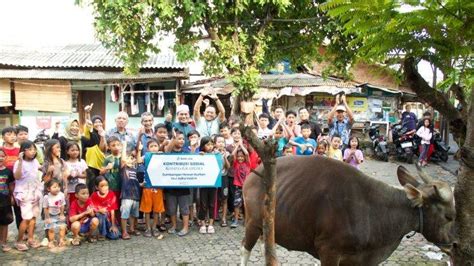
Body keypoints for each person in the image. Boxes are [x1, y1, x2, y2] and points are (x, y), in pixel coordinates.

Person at [13, 141, 42, 251]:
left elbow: (40, 168)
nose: (33, 151)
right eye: (30, 149)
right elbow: (17, 176)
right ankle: (19, 241)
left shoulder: (34, 161)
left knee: (34, 217)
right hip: (24, 194)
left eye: (34, 149)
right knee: (26, 218)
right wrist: (20, 161)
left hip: (35, 193)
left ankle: (30, 239)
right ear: (23, 151)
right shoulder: (19, 162)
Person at [164, 130, 190, 237]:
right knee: (172, 208)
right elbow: (166, 151)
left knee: (184, 208)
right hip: (170, 185)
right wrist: (172, 140)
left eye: (183, 139)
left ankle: (185, 227)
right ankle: (174, 226)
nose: (181, 141)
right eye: (179, 138)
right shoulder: (170, 151)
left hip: (184, 184)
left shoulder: (186, 152)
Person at [139, 139, 166, 238]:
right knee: (147, 210)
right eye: (151, 146)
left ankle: (154, 227)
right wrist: (139, 150)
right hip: (147, 187)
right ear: (148, 148)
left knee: (156, 210)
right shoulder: (145, 156)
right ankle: (148, 228)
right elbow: (138, 161)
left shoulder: (161, 156)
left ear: (158, 147)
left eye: (155, 146)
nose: (154, 148)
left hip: (158, 188)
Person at [197, 137, 218, 234]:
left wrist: (219, 155)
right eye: (207, 145)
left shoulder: (216, 155)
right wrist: (199, 156)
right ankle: (202, 223)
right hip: (203, 184)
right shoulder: (200, 154)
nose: (210, 147)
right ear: (203, 146)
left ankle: (210, 224)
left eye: (211, 144)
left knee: (212, 204)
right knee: (203, 204)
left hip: (213, 183)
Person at [2, 127, 21, 230]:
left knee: (19, 210)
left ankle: (22, 233)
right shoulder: (1, 151)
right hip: (3, 185)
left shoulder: (19, 150)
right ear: (3, 137)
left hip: (17, 184)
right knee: (4, 212)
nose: (12, 137)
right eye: (9, 134)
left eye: (14, 134)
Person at [90, 176, 120, 240]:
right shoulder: (94, 195)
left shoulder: (111, 194)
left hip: (109, 220)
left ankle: (106, 231)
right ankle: (102, 234)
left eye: (106, 185)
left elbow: (112, 211)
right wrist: (99, 210)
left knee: (115, 236)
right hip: (99, 220)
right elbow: (91, 209)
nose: (104, 188)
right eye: (102, 186)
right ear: (96, 187)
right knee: (102, 214)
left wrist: (113, 225)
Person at [230, 140, 250, 228]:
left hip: (247, 187)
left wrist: (241, 145)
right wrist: (237, 146)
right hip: (238, 187)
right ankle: (236, 220)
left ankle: (247, 220)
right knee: (237, 204)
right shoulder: (236, 164)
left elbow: (247, 154)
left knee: (246, 204)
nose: (240, 158)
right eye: (238, 157)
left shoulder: (247, 163)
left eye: (242, 157)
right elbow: (232, 155)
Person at [43, 179, 67, 248]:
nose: (57, 189)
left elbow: (62, 205)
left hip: (58, 214)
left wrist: (62, 214)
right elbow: (45, 208)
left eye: (58, 187)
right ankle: (51, 241)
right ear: (48, 189)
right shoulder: (46, 197)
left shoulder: (61, 195)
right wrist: (47, 218)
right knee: (51, 228)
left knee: (62, 227)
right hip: (50, 215)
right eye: (54, 187)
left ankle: (61, 240)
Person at [214, 134, 230, 227]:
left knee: (224, 198)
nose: (221, 144)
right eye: (219, 142)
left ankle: (223, 218)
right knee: (214, 197)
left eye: (222, 142)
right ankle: (213, 215)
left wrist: (224, 157)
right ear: (215, 143)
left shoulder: (227, 153)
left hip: (224, 177)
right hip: (215, 178)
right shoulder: (212, 153)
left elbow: (228, 167)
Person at [100, 137, 122, 202]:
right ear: (109, 147)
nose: (116, 147)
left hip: (122, 185)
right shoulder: (108, 159)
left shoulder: (124, 157)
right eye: (113, 145)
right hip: (112, 186)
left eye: (118, 145)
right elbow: (101, 172)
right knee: (113, 203)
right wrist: (107, 168)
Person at [0, 148, 14, 252]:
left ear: (6, 158)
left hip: (5, 202)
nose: (0, 158)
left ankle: (3, 242)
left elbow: (10, 186)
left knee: (5, 223)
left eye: (2, 156)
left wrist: (12, 197)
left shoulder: (8, 171)